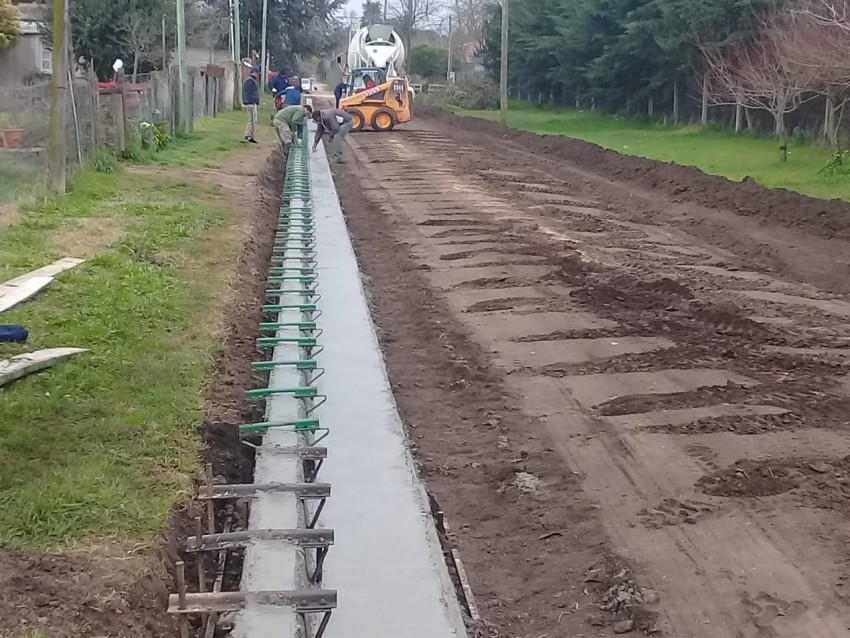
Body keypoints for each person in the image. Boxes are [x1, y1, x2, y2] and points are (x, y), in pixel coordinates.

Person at [242, 67, 261, 144]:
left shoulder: (249, 79)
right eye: (257, 73)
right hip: (250, 103)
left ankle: (247, 134)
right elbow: (249, 93)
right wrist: (252, 102)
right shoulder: (250, 81)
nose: (258, 75)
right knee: (253, 120)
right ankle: (250, 136)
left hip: (249, 102)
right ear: (253, 72)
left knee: (250, 119)